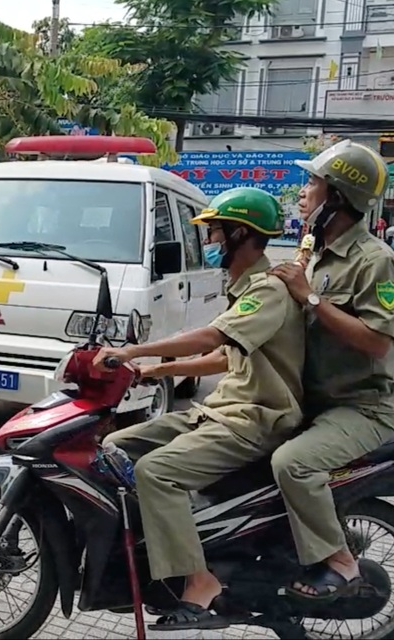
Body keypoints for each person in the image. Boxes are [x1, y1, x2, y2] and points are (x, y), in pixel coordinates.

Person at [93, 187, 305, 629]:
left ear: (240, 234)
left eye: (215, 233)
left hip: (254, 419)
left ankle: (198, 579)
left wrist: (134, 351)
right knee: (113, 446)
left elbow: (213, 338)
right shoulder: (245, 287)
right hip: (222, 410)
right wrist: (155, 371)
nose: (210, 243)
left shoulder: (267, 291)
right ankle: (165, 542)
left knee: (157, 472)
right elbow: (228, 356)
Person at [269, 139, 394, 603]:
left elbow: (376, 340)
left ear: (339, 197)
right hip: (312, 401)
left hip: (360, 408)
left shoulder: (375, 261)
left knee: (293, 464)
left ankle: (342, 564)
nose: (303, 193)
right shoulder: (318, 252)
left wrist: (310, 296)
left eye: (313, 183)